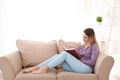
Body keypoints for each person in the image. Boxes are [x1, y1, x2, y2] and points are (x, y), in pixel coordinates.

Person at [23, 28, 99, 74]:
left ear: (90, 37)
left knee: (64, 54)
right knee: (58, 56)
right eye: (83, 36)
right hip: (77, 67)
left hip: (86, 68)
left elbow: (93, 61)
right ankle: (36, 67)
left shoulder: (94, 46)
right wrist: (72, 54)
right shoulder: (81, 46)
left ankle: (44, 69)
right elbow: (77, 56)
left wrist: (80, 60)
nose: (83, 38)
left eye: (85, 37)